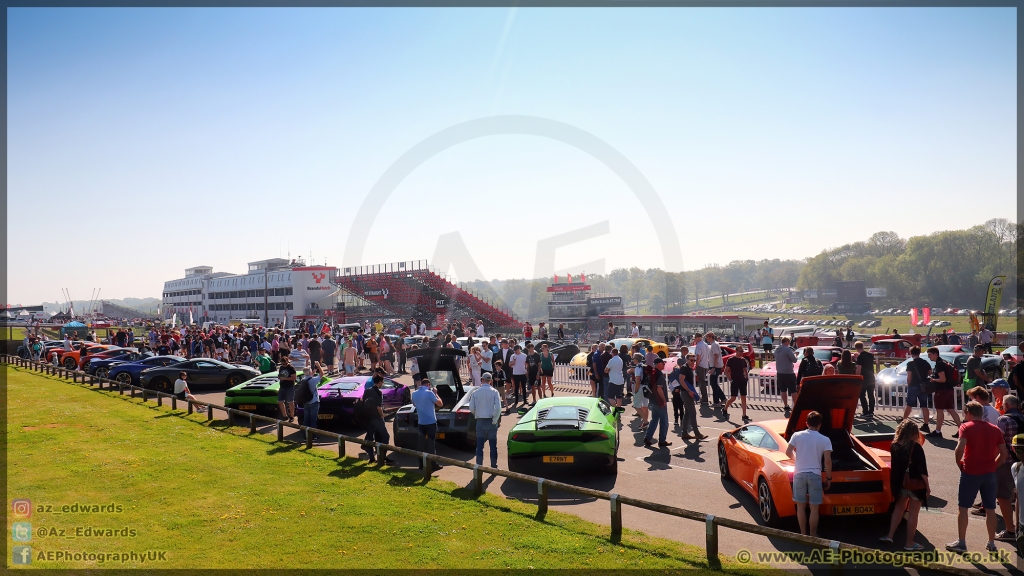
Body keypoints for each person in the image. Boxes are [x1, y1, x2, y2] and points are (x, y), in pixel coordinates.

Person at [946, 401, 1008, 554]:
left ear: (968, 413)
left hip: (971, 472)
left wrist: (959, 463)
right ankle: (991, 542)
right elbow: (1004, 453)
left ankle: (961, 542)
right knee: (990, 509)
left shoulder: (966, 427)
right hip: (989, 473)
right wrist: (994, 465)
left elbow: (960, 448)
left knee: (963, 507)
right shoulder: (995, 430)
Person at [881, 419, 928, 550]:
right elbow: (922, 469)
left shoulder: (894, 445)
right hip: (915, 484)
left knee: (899, 508)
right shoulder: (915, 446)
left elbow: (895, 467)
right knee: (913, 513)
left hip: (901, 483)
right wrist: (927, 486)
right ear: (914, 432)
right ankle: (909, 543)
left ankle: (889, 535)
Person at [786, 410, 833, 538]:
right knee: (814, 508)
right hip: (815, 475)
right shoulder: (825, 439)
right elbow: (828, 461)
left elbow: (788, 451)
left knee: (800, 507)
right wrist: (828, 478)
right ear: (820, 425)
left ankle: (803, 534)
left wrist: (797, 460)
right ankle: (813, 535)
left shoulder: (797, 435)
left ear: (807, 424)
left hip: (799, 474)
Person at [992, 395, 1024, 541]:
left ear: (1005, 405)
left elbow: (997, 442)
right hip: (1021, 462)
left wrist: (992, 462)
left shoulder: (1003, 420)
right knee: (1018, 495)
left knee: (1003, 496)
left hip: (1006, 462)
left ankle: (1010, 530)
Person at [469, 372, 502, 468]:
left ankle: (479, 466)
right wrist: (495, 420)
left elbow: (471, 407)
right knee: (493, 446)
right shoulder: (495, 392)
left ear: (482, 380)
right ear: (491, 381)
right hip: (491, 420)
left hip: (480, 420)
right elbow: (498, 408)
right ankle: (493, 465)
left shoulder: (475, 393)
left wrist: (477, 414)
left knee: (479, 446)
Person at [927, 347, 962, 438]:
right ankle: (962, 429)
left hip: (942, 390)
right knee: (951, 410)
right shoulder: (944, 362)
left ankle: (938, 431)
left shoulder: (939, 364)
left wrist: (932, 379)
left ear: (935, 354)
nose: (929, 357)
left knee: (939, 410)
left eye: (930, 354)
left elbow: (942, 379)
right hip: (949, 389)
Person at [411, 376, 444, 471]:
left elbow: (414, 404)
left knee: (420, 444)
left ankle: (421, 464)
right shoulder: (430, 393)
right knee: (431, 444)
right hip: (431, 422)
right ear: (428, 385)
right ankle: (433, 464)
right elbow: (440, 404)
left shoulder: (414, 393)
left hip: (421, 422)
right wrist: (436, 394)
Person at [363, 374, 395, 465]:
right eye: (382, 382)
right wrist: (382, 415)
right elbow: (378, 407)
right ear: (380, 382)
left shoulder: (367, 391)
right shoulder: (378, 392)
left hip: (368, 417)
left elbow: (363, 401)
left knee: (370, 438)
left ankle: (371, 457)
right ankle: (382, 456)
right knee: (386, 436)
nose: (382, 383)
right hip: (377, 418)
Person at [642, 358, 672, 448]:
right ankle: (662, 440)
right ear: (658, 363)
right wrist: (663, 400)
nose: (664, 365)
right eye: (663, 363)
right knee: (664, 421)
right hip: (659, 401)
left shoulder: (652, 373)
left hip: (652, 400)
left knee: (654, 419)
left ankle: (648, 437)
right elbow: (659, 389)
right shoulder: (659, 374)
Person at [902, 346, 932, 434]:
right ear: (919, 353)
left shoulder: (910, 364)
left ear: (911, 353)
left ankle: (904, 421)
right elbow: (930, 373)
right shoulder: (925, 362)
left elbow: (909, 377)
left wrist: (909, 384)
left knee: (909, 405)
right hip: (923, 386)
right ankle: (926, 424)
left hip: (914, 386)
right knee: (924, 405)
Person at [677, 354, 704, 439]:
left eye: (694, 360)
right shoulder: (684, 368)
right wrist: (689, 391)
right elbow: (681, 380)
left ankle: (684, 433)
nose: (693, 362)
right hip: (686, 393)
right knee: (692, 412)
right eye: (691, 360)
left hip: (688, 393)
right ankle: (697, 433)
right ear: (687, 359)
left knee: (688, 413)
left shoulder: (688, 368)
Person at [723, 350, 749, 422]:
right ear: (736, 351)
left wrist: (746, 378)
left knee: (743, 398)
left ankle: (744, 415)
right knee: (733, 398)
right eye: (740, 351)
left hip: (742, 380)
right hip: (734, 381)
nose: (741, 353)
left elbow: (745, 370)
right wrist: (730, 380)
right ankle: (725, 409)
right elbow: (726, 371)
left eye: (742, 352)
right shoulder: (731, 360)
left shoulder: (743, 360)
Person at [775, 337, 798, 416]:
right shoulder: (787, 349)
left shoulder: (777, 349)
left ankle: (786, 405)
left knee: (783, 390)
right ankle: (796, 406)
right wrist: (796, 355)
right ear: (787, 342)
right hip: (788, 372)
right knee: (793, 390)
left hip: (780, 372)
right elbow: (794, 360)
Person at [854, 341, 876, 418]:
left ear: (856, 348)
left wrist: (857, 377)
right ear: (863, 346)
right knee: (871, 395)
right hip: (871, 377)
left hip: (864, 378)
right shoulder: (870, 355)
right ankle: (871, 411)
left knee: (862, 395)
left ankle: (865, 411)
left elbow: (859, 369)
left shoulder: (860, 357)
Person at [301, 362, 324, 433]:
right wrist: (319, 366)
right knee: (313, 420)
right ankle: (313, 435)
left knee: (306, 419)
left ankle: (305, 434)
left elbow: (309, 377)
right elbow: (322, 374)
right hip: (314, 401)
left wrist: (313, 371)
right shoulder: (313, 380)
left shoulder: (303, 380)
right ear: (310, 372)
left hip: (306, 402)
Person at [631, 354, 650, 430]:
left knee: (636, 406)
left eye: (633, 358)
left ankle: (645, 422)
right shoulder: (643, 366)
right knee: (645, 406)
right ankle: (645, 423)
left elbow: (638, 381)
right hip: (646, 388)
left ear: (636, 359)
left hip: (641, 388)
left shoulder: (637, 368)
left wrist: (635, 390)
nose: (632, 360)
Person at [277, 356, 298, 422]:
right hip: (282, 387)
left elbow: (294, 378)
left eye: (285, 363)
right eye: (283, 364)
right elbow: (280, 375)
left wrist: (285, 378)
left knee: (290, 402)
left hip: (290, 387)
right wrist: (280, 377)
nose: (284, 365)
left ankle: (291, 416)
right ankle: (284, 415)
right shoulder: (281, 368)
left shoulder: (291, 368)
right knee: (280, 401)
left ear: (287, 361)